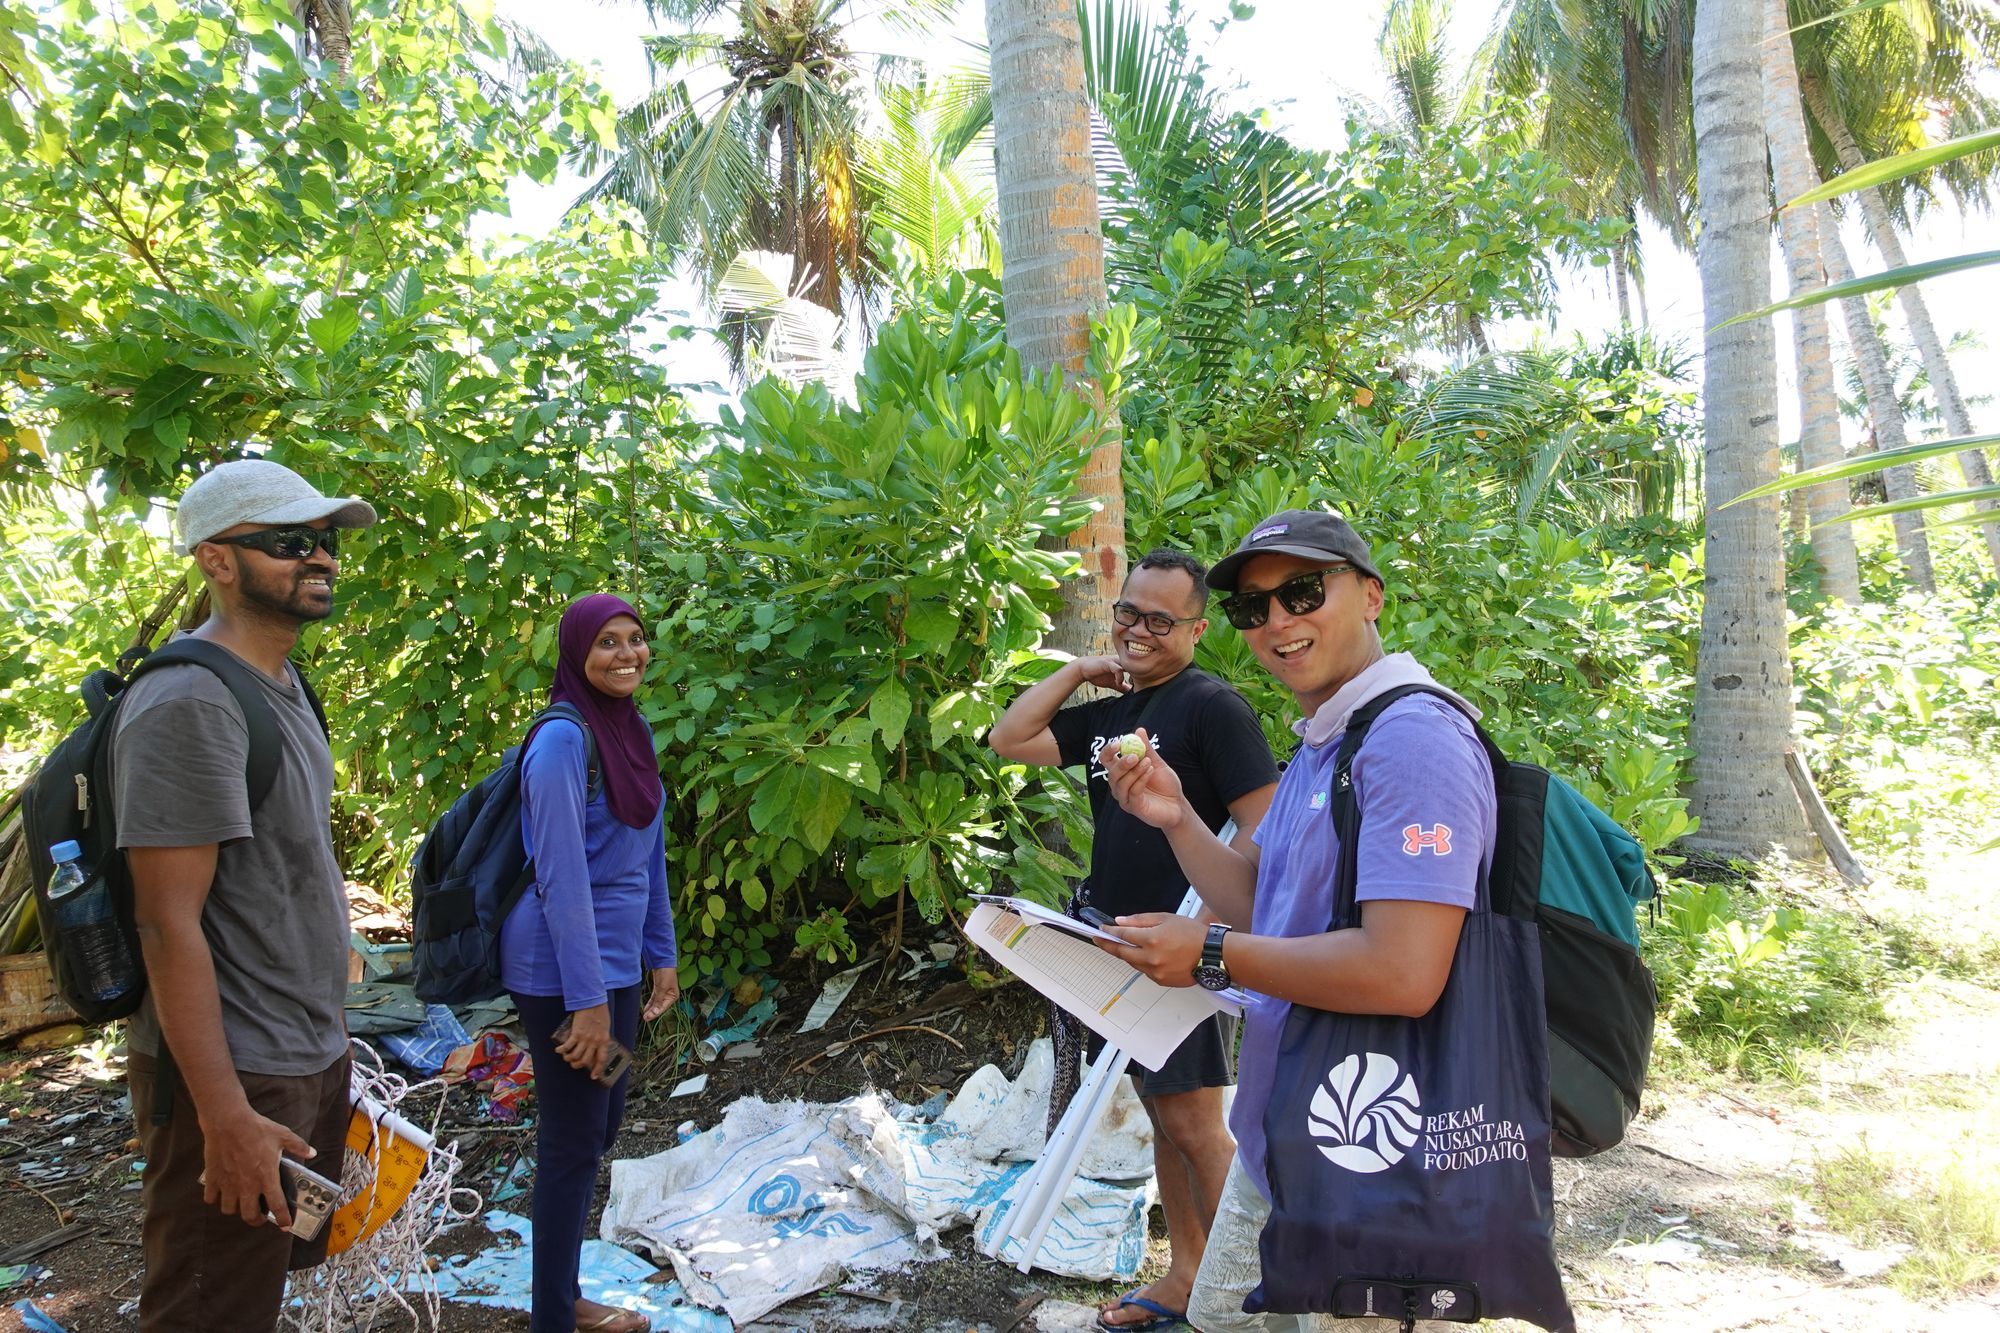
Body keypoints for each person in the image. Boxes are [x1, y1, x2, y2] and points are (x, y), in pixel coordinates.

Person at [1095, 511, 1496, 1333]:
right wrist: (1179, 819)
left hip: (1378, 1160)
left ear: (1371, 595)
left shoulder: (1413, 740)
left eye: (1303, 591)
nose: (1277, 620)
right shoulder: (1327, 740)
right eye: (1252, 606)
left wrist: (1210, 952)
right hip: (1288, 1136)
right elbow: (1266, 903)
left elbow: (1403, 971)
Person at [114, 458, 377, 1332]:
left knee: (252, 1292)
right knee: (204, 1305)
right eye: (291, 542)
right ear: (217, 561)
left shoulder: (286, 682)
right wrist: (224, 1116)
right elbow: (166, 920)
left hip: (301, 1056)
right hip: (233, 1080)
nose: (322, 558)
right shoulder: (190, 701)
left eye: (326, 540)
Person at [988, 547, 1279, 1332]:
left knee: (1193, 1120)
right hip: (1116, 942)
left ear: (1197, 627)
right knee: (1162, 1110)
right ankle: (1188, 1275)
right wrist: (1083, 668)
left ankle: (1244, 1298)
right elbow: (1009, 738)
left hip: (1183, 950)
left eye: (1160, 618)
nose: (1139, 630)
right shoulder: (1114, 709)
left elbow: (1269, 822)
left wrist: (1210, 928)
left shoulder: (1211, 708)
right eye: (1129, 612)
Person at [500, 593, 680, 1333]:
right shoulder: (562, 743)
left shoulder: (628, 729)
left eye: (635, 639)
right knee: (575, 1136)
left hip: (614, 967)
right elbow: (561, 878)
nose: (626, 653)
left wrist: (660, 956)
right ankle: (554, 1316)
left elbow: (647, 856)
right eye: (607, 641)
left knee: (601, 1121)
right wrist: (588, 1002)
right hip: (562, 973)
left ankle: (562, 1295)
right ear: (577, 652)